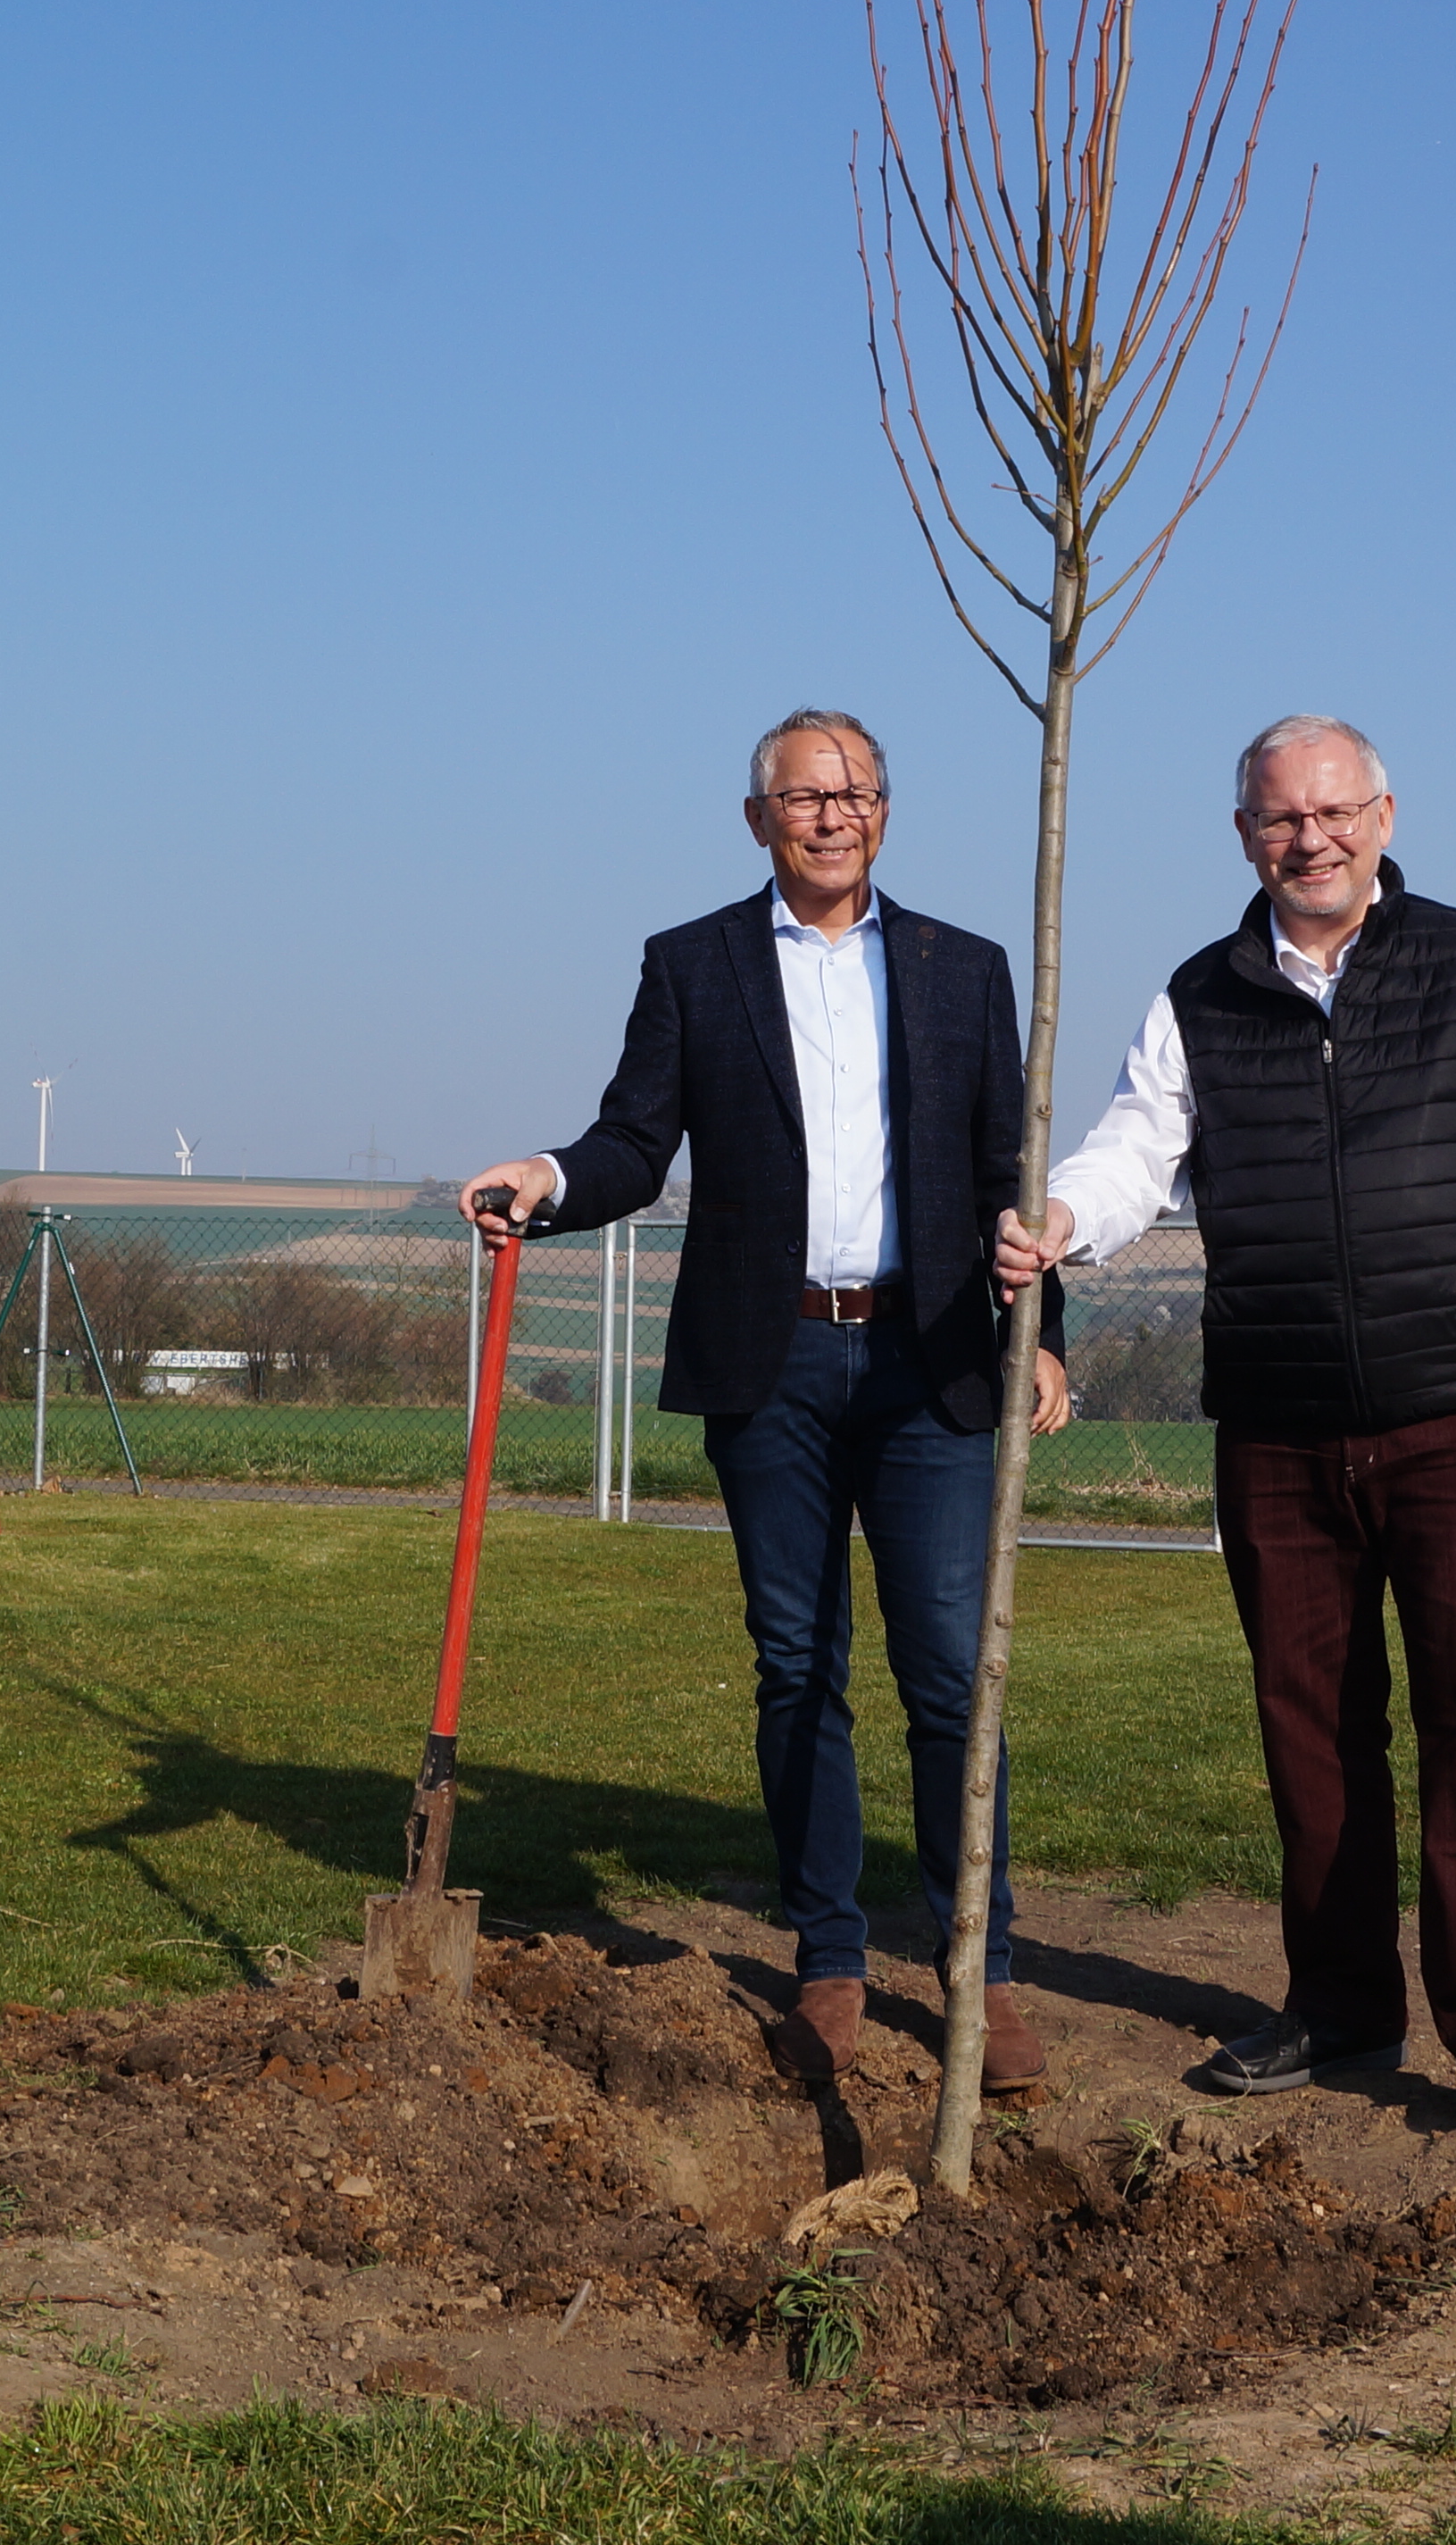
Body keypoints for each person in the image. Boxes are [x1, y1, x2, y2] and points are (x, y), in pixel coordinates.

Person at [994, 713, 1456, 2128]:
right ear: (1245, 838)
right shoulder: (1199, 996)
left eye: (1336, 813)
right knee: (1311, 1720)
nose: (1313, 839)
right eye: (1283, 820)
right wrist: (1058, 1221)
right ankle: (1341, 2005)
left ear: (1386, 816)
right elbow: (1134, 1152)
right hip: (1278, 1420)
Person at [462, 709, 1069, 2092]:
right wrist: (547, 1185)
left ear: (888, 812)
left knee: (949, 1675)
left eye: (855, 791)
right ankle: (833, 1960)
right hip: (771, 1363)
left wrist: (1042, 1332)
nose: (832, 813)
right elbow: (634, 1139)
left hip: (930, 1361)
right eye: (805, 796)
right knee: (798, 1668)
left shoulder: (962, 970)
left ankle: (982, 1973)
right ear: (760, 822)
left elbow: (1006, 1174)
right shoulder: (694, 965)